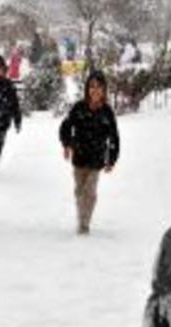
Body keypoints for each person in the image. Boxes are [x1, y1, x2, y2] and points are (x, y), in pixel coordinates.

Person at [58, 70, 120, 235]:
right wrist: (67, 145)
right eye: (91, 87)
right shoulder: (79, 108)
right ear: (87, 89)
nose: (95, 90)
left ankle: (84, 224)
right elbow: (66, 126)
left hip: (96, 159)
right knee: (79, 191)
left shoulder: (107, 112)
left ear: (104, 90)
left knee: (90, 192)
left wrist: (111, 160)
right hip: (79, 157)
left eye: (99, 87)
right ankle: (81, 216)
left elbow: (114, 138)